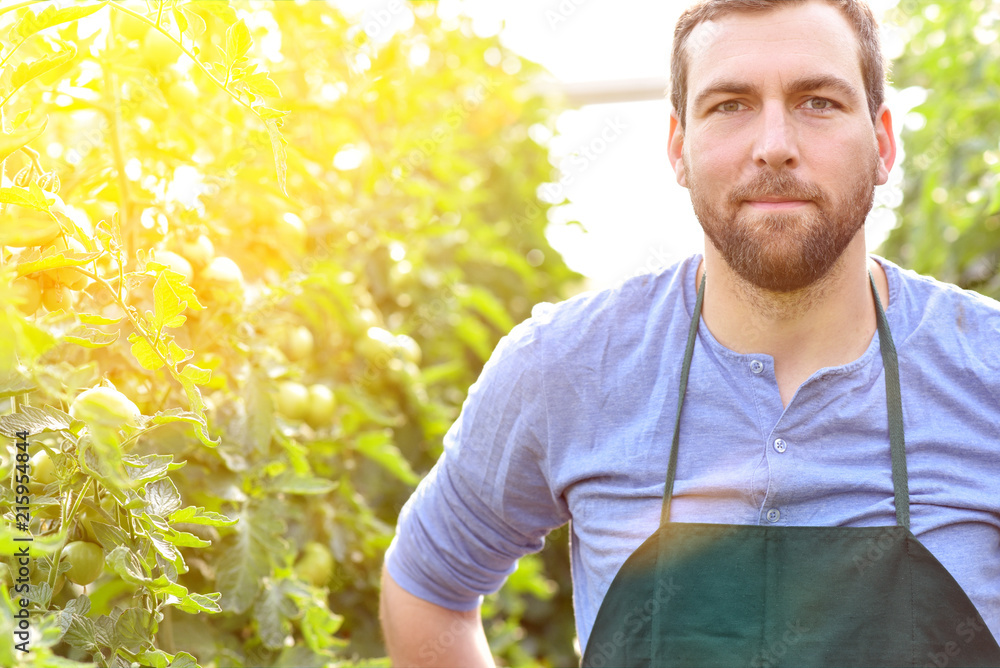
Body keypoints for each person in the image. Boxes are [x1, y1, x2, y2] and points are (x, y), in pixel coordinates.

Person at [379, 0, 1000, 665]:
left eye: (817, 101)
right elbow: (427, 585)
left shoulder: (984, 367)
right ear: (678, 146)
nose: (774, 145)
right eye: (730, 104)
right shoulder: (566, 366)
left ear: (883, 142)